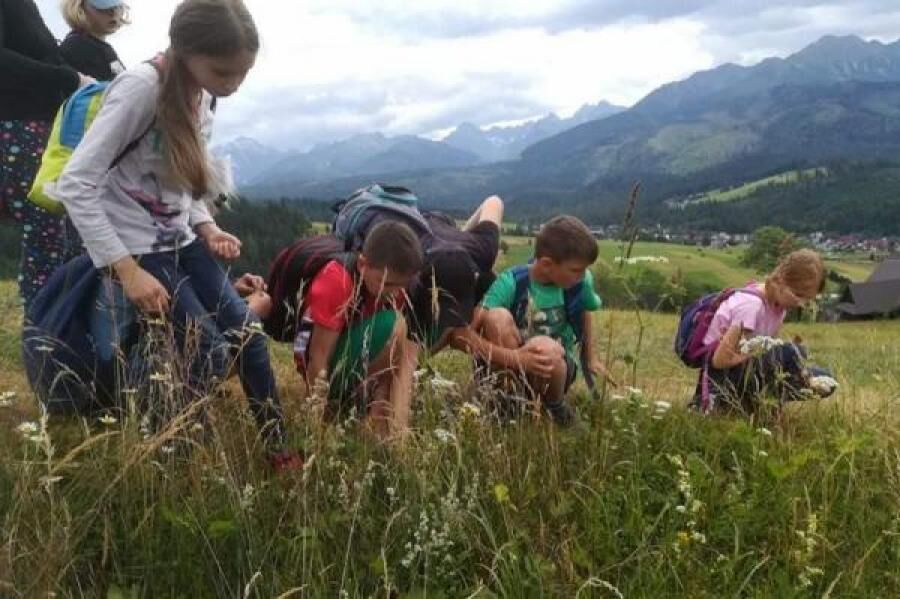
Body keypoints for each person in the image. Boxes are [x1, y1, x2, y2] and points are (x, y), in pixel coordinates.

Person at [51, 0, 299, 468]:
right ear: (186, 52)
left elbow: (182, 178)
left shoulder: (203, 95)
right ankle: (171, 457)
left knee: (248, 336)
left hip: (181, 243)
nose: (234, 84)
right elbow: (76, 183)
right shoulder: (140, 90)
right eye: (223, 72)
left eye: (243, 73)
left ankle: (279, 450)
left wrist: (207, 226)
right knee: (204, 351)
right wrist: (127, 271)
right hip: (138, 251)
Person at [285, 221, 423, 441]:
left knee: (408, 343)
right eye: (387, 284)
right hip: (325, 369)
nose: (394, 293)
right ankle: (383, 425)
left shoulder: (391, 288)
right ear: (362, 264)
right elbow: (318, 358)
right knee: (397, 326)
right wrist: (315, 428)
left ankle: (386, 426)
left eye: (401, 285)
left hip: (350, 357)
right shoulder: (336, 280)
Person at [478, 215, 614, 427]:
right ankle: (508, 399)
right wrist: (515, 358)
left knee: (545, 347)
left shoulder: (580, 283)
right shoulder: (512, 282)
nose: (583, 276)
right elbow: (475, 328)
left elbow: (585, 311)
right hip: (512, 361)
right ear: (547, 264)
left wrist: (590, 358)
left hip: (557, 366)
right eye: (576, 270)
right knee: (496, 317)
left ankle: (554, 406)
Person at [0, 0, 93, 308]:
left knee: (69, 232)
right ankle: (42, 327)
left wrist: (78, 79)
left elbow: (48, 57)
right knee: (46, 233)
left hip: (48, 133)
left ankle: (68, 323)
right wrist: (69, 79)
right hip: (18, 129)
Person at [406, 196, 560, 379]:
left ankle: (496, 380)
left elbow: (494, 201)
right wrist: (516, 358)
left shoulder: (483, 250)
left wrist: (457, 244)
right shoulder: (406, 275)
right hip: (402, 232)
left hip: (443, 237)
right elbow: (456, 336)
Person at [692, 249, 833, 414]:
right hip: (721, 377)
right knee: (793, 352)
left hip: (747, 371)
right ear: (780, 280)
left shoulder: (779, 307)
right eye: (797, 295)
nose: (800, 303)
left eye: (806, 299)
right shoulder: (751, 306)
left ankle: (760, 405)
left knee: (826, 379)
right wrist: (760, 354)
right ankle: (729, 403)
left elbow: (768, 351)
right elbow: (719, 361)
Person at [59, 0, 128, 81]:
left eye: (116, 6)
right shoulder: (78, 46)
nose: (113, 13)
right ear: (79, 9)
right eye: (103, 7)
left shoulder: (99, 45)